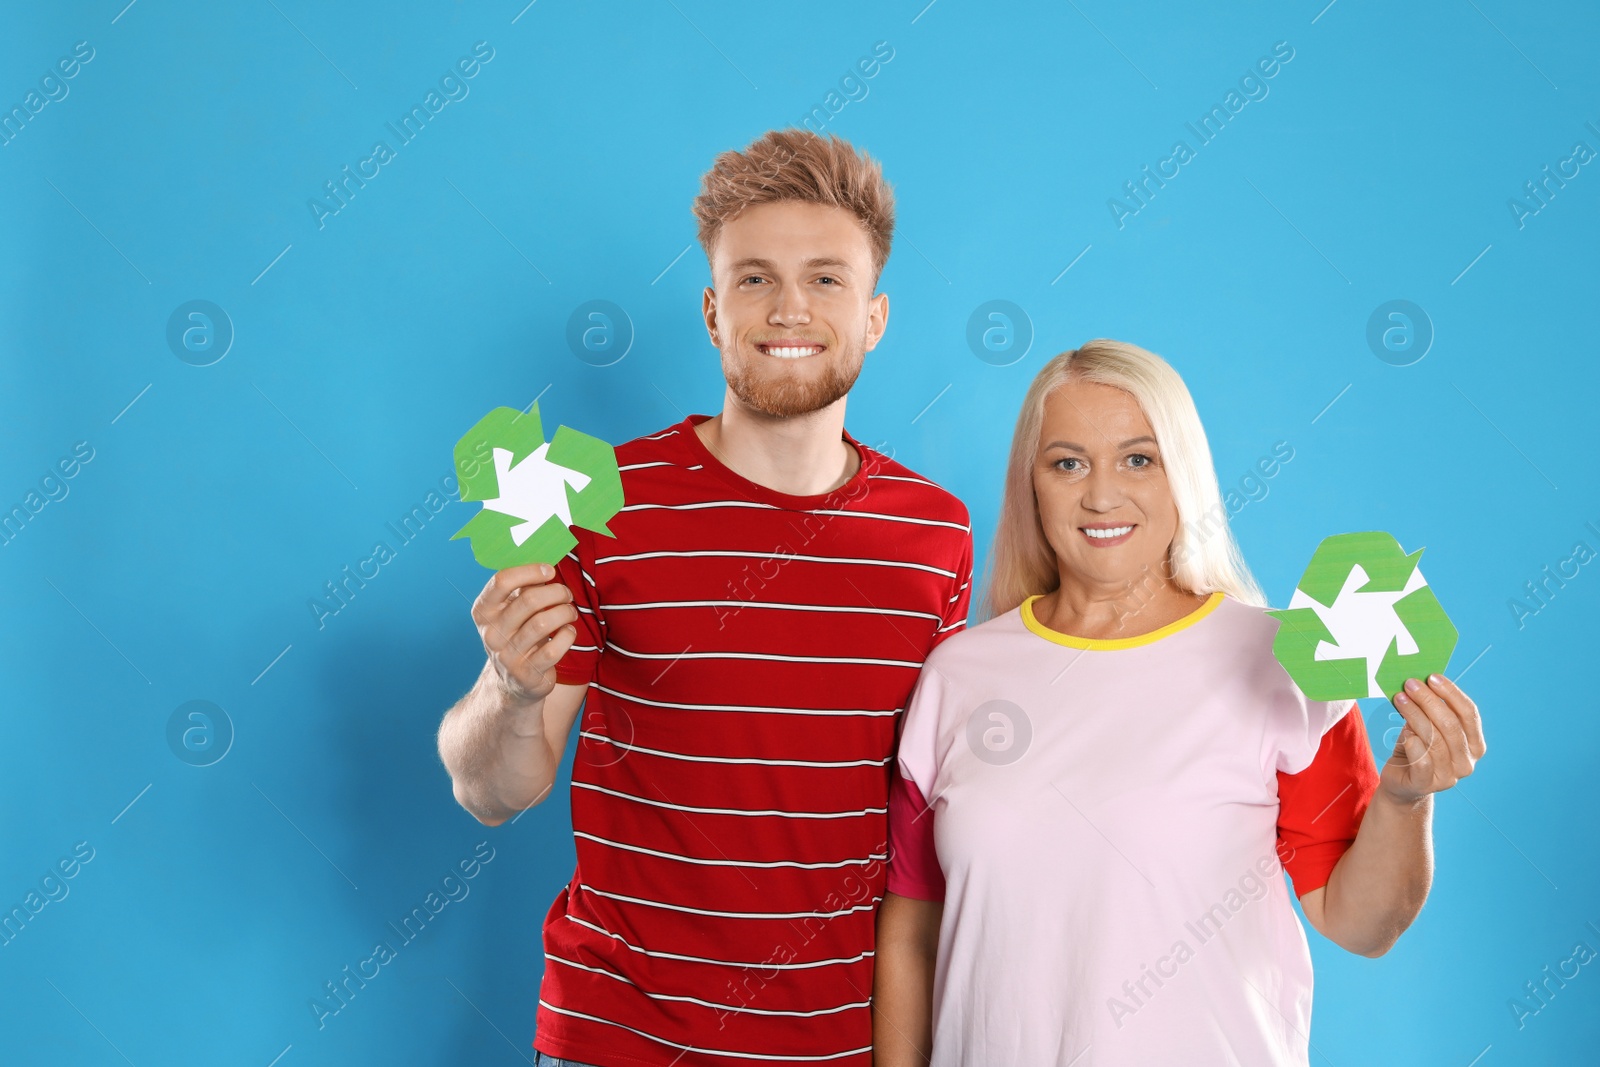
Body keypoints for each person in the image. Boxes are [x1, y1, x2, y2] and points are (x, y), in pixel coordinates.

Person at [435, 129, 974, 1067]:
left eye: (827, 278)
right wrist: (509, 690)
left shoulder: (935, 533)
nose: (789, 307)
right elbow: (490, 789)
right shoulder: (596, 502)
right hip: (620, 1040)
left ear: (876, 315)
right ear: (713, 311)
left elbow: (927, 833)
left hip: (841, 1046)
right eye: (754, 278)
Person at [872, 339, 1486, 1065]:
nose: (1101, 494)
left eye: (1139, 458)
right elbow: (912, 927)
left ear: (1183, 475)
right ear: (1030, 483)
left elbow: (1361, 924)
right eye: (1067, 462)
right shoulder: (958, 676)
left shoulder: (1287, 665)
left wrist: (1406, 799)